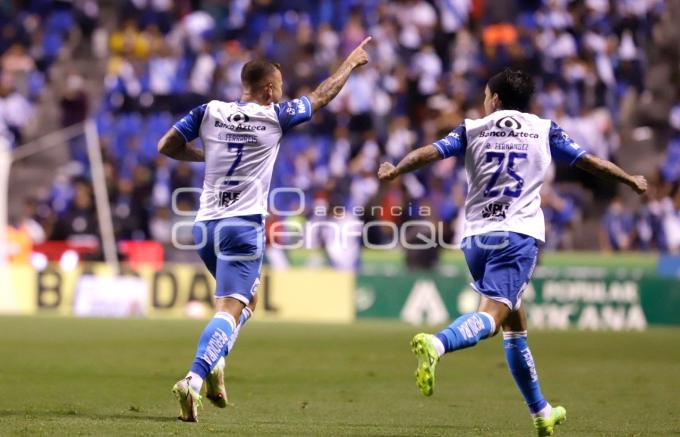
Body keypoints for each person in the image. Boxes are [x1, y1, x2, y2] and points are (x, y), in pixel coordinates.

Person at [377, 68, 647, 436]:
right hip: (516, 236)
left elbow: (430, 153)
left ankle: (541, 413)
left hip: (475, 240)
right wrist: (630, 179)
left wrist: (395, 170)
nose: (485, 101)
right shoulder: (543, 129)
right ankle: (437, 344)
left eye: (487, 95)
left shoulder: (473, 128)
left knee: (515, 325)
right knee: (491, 317)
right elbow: (591, 162)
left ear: (497, 100)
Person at [158, 37, 372, 422]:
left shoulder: (209, 111)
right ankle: (193, 378)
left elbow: (166, 145)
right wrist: (350, 63)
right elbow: (322, 95)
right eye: (281, 87)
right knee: (228, 307)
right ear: (270, 88)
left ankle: (217, 362)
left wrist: (202, 156)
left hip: (205, 227)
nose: (283, 93)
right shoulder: (275, 115)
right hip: (242, 226)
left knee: (247, 301)